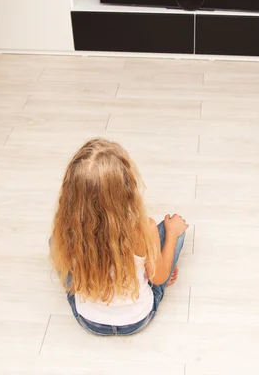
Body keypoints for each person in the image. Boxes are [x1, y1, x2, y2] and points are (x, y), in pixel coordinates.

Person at [50, 137, 188, 336]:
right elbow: (159, 279)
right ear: (127, 187)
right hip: (136, 320)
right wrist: (172, 235)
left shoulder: (68, 228)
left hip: (89, 320)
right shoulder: (143, 229)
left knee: (55, 242)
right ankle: (149, 265)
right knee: (174, 231)